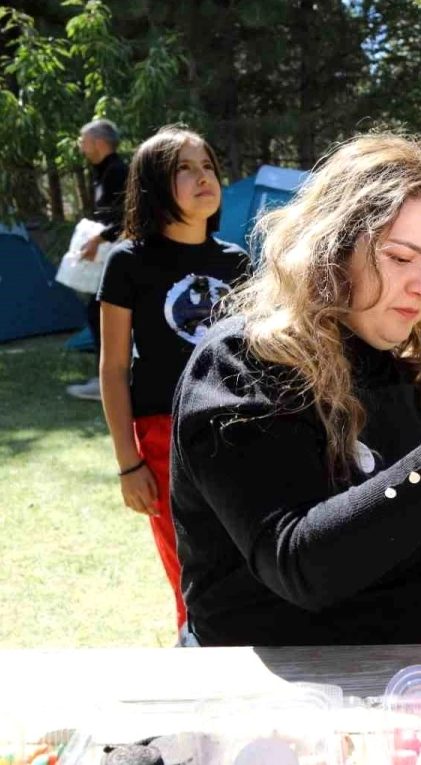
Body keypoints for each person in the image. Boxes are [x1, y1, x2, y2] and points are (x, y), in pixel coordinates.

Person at [169, 135, 421, 647]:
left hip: (413, 671)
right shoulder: (239, 365)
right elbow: (299, 565)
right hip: (282, 690)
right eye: (399, 257)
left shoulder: (413, 377)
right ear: (331, 247)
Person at [98, 125, 249, 634]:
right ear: (153, 185)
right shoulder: (128, 263)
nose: (202, 176)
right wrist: (127, 463)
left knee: (250, 566)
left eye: (207, 166)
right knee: (190, 571)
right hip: (165, 436)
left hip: (238, 430)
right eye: (184, 168)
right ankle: (197, 660)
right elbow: (113, 368)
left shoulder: (238, 263)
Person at [67, 119, 130, 401]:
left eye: (84, 141)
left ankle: (111, 380)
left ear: (99, 143)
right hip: (107, 254)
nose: (81, 147)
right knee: (96, 313)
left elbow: (126, 217)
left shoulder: (118, 172)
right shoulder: (103, 172)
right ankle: (106, 377)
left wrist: (97, 239)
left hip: (120, 255)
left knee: (101, 313)